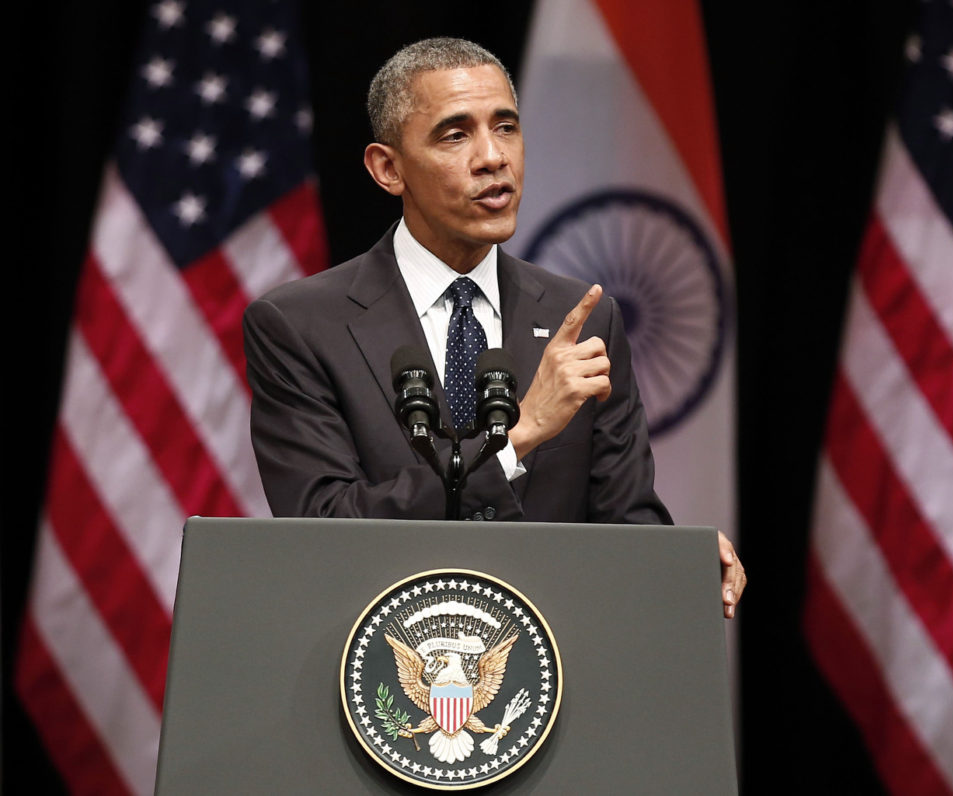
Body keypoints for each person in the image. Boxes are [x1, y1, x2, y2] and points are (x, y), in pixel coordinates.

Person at [243, 38, 745, 617]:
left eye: (505, 127)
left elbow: (624, 518)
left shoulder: (581, 319)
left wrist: (673, 558)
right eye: (455, 135)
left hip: (554, 662)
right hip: (375, 666)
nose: (492, 157)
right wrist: (517, 437)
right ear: (388, 168)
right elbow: (322, 528)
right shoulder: (301, 325)